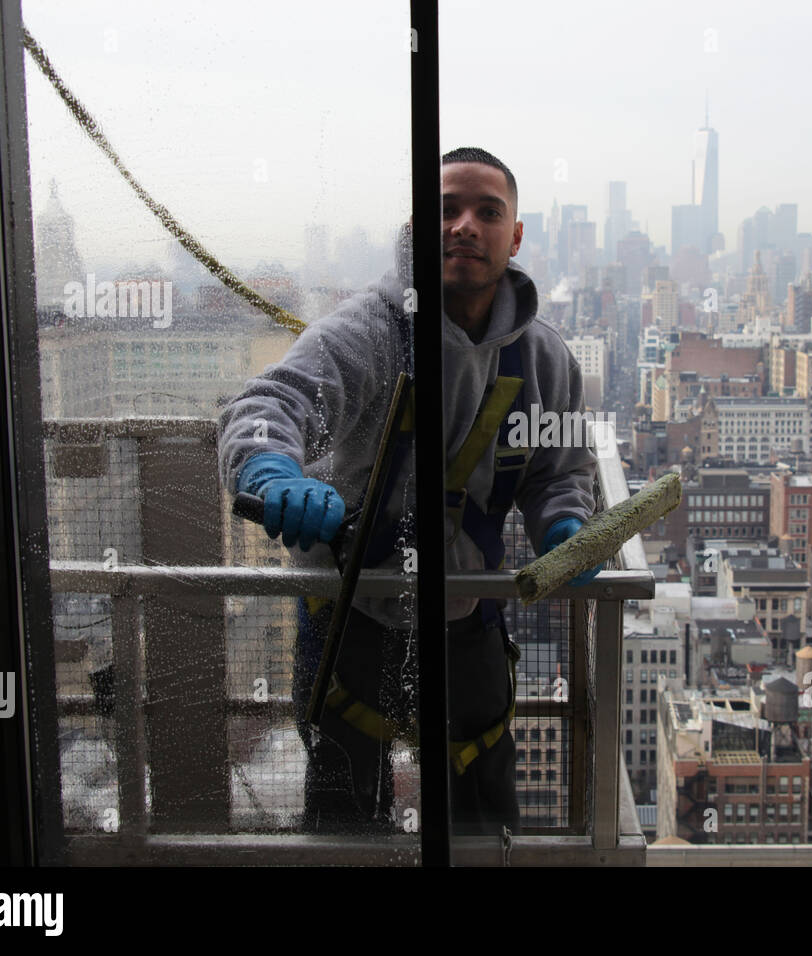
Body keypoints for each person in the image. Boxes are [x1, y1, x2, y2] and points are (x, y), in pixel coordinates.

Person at [217, 146, 600, 837]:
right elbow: (274, 401)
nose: (464, 227)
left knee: (481, 799)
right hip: (351, 604)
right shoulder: (371, 333)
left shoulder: (543, 359)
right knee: (343, 798)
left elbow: (561, 468)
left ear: (514, 237)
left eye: (488, 212)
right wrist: (271, 470)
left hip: (467, 604)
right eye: (446, 210)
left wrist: (565, 524)